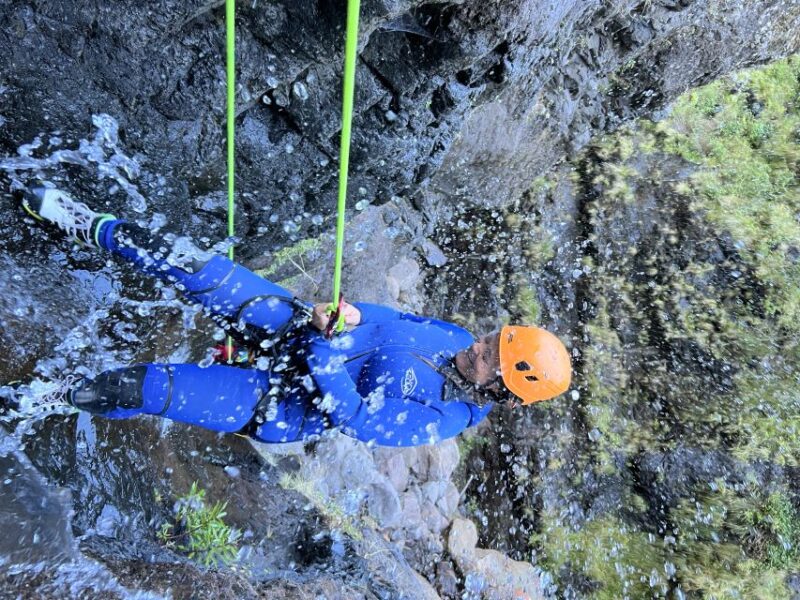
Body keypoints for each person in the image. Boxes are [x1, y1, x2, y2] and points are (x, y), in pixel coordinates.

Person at [16, 185, 572, 447]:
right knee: (195, 267)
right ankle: (87, 222)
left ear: (502, 388)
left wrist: (328, 349)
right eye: (489, 338)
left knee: (141, 386)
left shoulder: (441, 417)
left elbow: (353, 417)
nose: (474, 346)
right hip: (303, 334)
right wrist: (350, 315)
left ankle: (59, 392)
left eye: (487, 357)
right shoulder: (452, 336)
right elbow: (388, 318)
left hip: (284, 405)